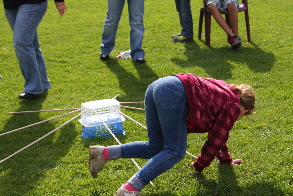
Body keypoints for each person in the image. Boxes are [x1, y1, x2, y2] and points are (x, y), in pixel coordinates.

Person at [89, 73, 255, 195]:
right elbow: (216, 138)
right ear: (245, 109)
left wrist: (225, 160)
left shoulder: (225, 91)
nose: (237, 118)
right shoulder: (232, 106)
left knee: (156, 147)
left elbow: (219, 134)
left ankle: (104, 153)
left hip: (157, 86)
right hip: (173, 92)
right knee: (175, 151)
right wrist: (200, 165)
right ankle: (130, 189)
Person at [3, 0, 66, 99]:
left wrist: (59, 1)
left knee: (22, 43)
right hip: (10, 6)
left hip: (32, 3)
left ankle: (33, 88)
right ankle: (42, 82)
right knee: (30, 43)